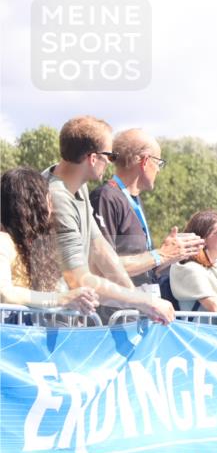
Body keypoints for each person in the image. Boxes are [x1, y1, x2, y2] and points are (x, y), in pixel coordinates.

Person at [42, 116, 174, 324]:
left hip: (67, 317)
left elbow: (101, 249)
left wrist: (139, 301)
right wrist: (143, 301)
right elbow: (79, 279)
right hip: (47, 320)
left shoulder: (78, 186)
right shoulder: (57, 197)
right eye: (110, 156)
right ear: (93, 159)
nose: (112, 162)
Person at [89, 128, 204, 288]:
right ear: (145, 161)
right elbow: (101, 267)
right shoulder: (105, 198)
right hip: (116, 303)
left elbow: (140, 268)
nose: (158, 170)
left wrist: (172, 254)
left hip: (140, 301)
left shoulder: (133, 199)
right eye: (158, 163)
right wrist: (160, 255)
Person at [0, 168, 99, 314]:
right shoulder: (3, 241)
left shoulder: (35, 247)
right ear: (36, 204)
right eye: (48, 198)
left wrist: (79, 298)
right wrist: (62, 299)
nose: (51, 206)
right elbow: (4, 293)